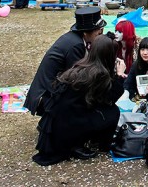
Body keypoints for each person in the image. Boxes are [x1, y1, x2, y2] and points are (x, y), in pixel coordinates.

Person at [32, 34, 126, 165]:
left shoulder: (83, 65)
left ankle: (81, 141)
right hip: (67, 125)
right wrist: (120, 75)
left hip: (56, 122)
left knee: (96, 110)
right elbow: (110, 99)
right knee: (113, 112)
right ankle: (100, 145)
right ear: (108, 56)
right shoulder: (98, 73)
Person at [26, 7, 108, 115]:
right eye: (99, 32)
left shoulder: (74, 39)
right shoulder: (76, 45)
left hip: (47, 90)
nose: (100, 35)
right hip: (46, 96)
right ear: (86, 33)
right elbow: (78, 78)